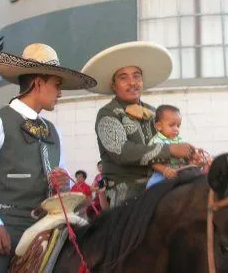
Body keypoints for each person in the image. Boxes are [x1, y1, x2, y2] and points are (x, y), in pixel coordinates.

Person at [0, 43, 96, 272]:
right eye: (57, 85)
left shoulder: (53, 131)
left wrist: (63, 183)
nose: (60, 93)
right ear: (38, 82)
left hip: (48, 225)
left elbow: (64, 185)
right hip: (5, 231)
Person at [81, 42, 209, 207]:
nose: (132, 82)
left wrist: (189, 154)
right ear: (113, 85)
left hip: (163, 184)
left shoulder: (154, 112)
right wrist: (171, 150)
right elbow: (122, 152)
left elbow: (170, 140)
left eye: (137, 76)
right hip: (127, 190)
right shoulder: (108, 113)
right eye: (123, 77)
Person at [146, 105, 195, 188]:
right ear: (159, 126)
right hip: (162, 173)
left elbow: (187, 156)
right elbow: (152, 162)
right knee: (153, 188)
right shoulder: (156, 141)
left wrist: (192, 159)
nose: (176, 129)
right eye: (171, 125)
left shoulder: (180, 140)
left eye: (178, 126)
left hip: (181, 170)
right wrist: (164, 170)